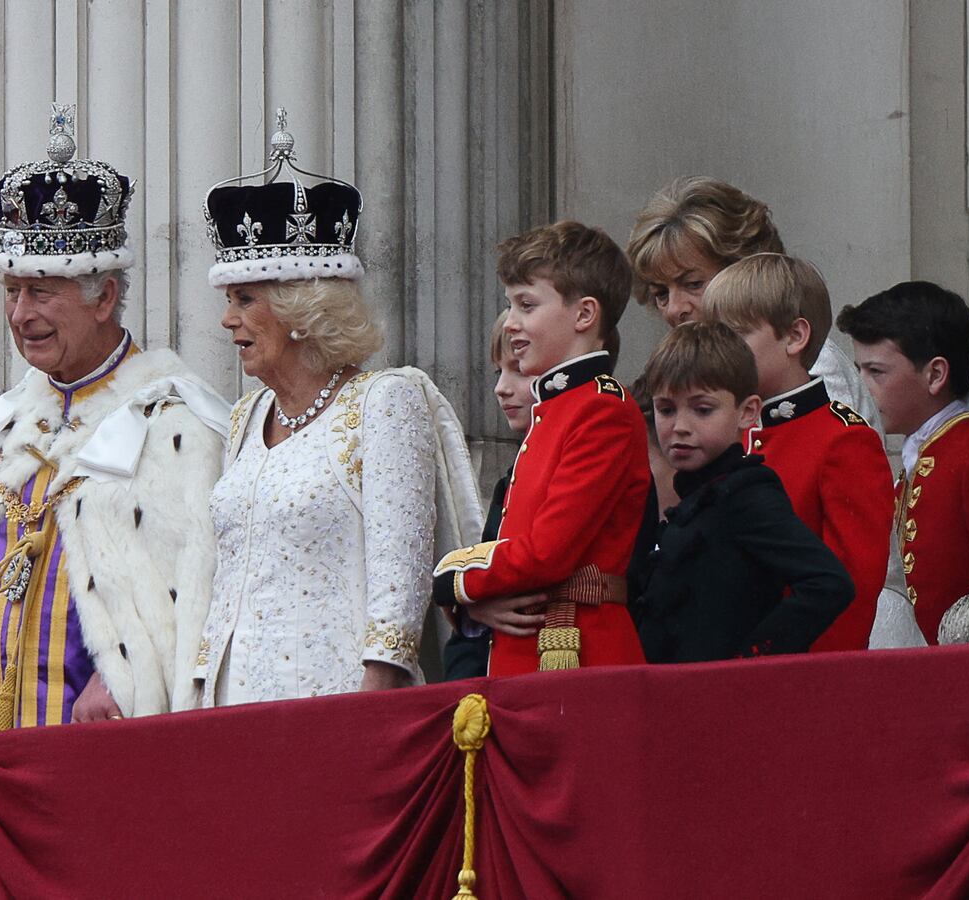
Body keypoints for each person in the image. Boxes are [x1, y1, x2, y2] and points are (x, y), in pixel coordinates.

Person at [0, 104, 230, 742]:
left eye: (41, 292)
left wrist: (121, 674)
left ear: (105, 298)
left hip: (94, 763)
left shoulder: (176, 428)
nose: (19, 313)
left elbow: (190, 611)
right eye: (12, 291)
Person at [189, 116, 482, 704]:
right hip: (230, 702)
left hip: (336, 700)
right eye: (229, 301)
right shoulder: (246, 417)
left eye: (245, 299)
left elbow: (401, 580)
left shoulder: (385, 401)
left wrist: (373, 699)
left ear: (302, 310)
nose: (228, 320)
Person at [434, 221, 649, 676]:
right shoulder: (558, 408)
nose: (511, 322)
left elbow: (546, 553)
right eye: (511, 305)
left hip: (576, 649)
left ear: (584, 314)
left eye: (527, 305)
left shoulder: (601, 409)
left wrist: (454, 576)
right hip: (532, 647)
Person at [630, 322, 853, 662]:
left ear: (747, 412)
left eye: (702, 409)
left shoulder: (746, 493)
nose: (680, 427)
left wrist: (751, 660)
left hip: (724, 700)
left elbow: (828, 582)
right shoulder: (692, 496)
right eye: (666, 409)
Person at [702, 254, 892, 651]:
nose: (718, 353)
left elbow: (849, 592)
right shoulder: (732, 434)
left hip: (794, 671)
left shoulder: (842, 440)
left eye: (734, 335)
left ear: (794, 337)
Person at [626, 176, 879, 432]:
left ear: (744, 270)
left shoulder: (805, 362)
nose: (673, 309)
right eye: (661, 293)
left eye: (693, 284)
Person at [837, 281, 969, 644]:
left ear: (935, 375)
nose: (861, 386)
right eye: (858, 370)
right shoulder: (920, 459)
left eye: (875, 371)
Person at [440, 312, 534, 679]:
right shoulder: (509, 479)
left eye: (520, 370)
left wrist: (457, 587)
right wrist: (471, 602)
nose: (501, 388)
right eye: (499, 373)